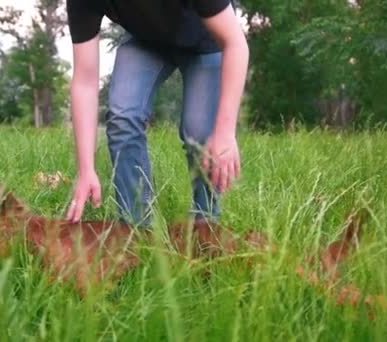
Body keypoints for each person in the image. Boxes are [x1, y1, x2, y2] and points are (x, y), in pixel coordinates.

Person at [64, 0, 249, 226]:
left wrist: (225, 132)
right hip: (147, 41)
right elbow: (84, 82)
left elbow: (235, 43)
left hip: (207, 39)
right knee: (123, 115)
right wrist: (86, 170)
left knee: (200, 132)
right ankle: (136, 230)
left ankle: (206, 226)